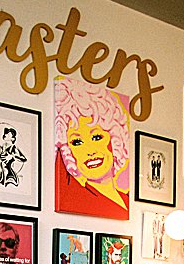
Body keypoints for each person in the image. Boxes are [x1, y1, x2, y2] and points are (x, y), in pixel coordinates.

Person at [54, 76, 131, 217]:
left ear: (115, 139)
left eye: (96, 137)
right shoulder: (76, 199)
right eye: (77, 142)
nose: (90, 151)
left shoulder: (127, 200)